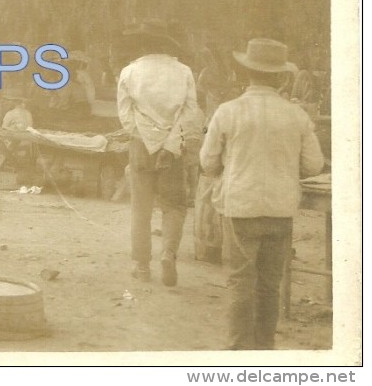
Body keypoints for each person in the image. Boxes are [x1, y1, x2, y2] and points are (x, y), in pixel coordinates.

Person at [199, 38, 324, 351]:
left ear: (246, 72)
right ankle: (265, 348)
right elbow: (314, 165)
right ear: (281, 77)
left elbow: (207, 162)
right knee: (270, 284)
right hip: (280, 209)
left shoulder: (227, 112)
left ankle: (237, 349)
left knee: (240, 281)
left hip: (240, 206)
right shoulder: (296, 116)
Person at [117, 20, 203, 286]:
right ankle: (168, 253)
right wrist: (169, 143)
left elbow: (125, 115)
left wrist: (145, 138)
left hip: (141, 146)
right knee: (174, 206)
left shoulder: (129, 72)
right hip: (172, 147)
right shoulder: (184, 72)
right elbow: (190, 113)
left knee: (140, 208)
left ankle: (142, 266)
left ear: (142, 44)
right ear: (166, 44)